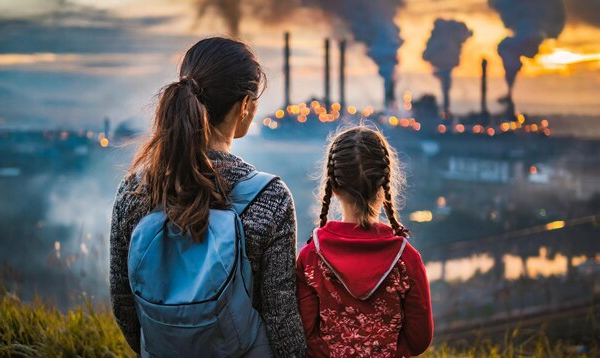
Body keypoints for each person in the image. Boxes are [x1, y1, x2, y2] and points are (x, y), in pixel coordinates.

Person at [109, 37, 307, 357]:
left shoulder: (135, 191)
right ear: (245, 105)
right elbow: (280, 317)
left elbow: (124, 305)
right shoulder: (270, 199)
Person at [296, 126, 433, 357]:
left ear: (334, 187)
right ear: (384, 185)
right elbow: (419, 339)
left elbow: (306, 333)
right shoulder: (406, 260)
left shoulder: (311, 258)